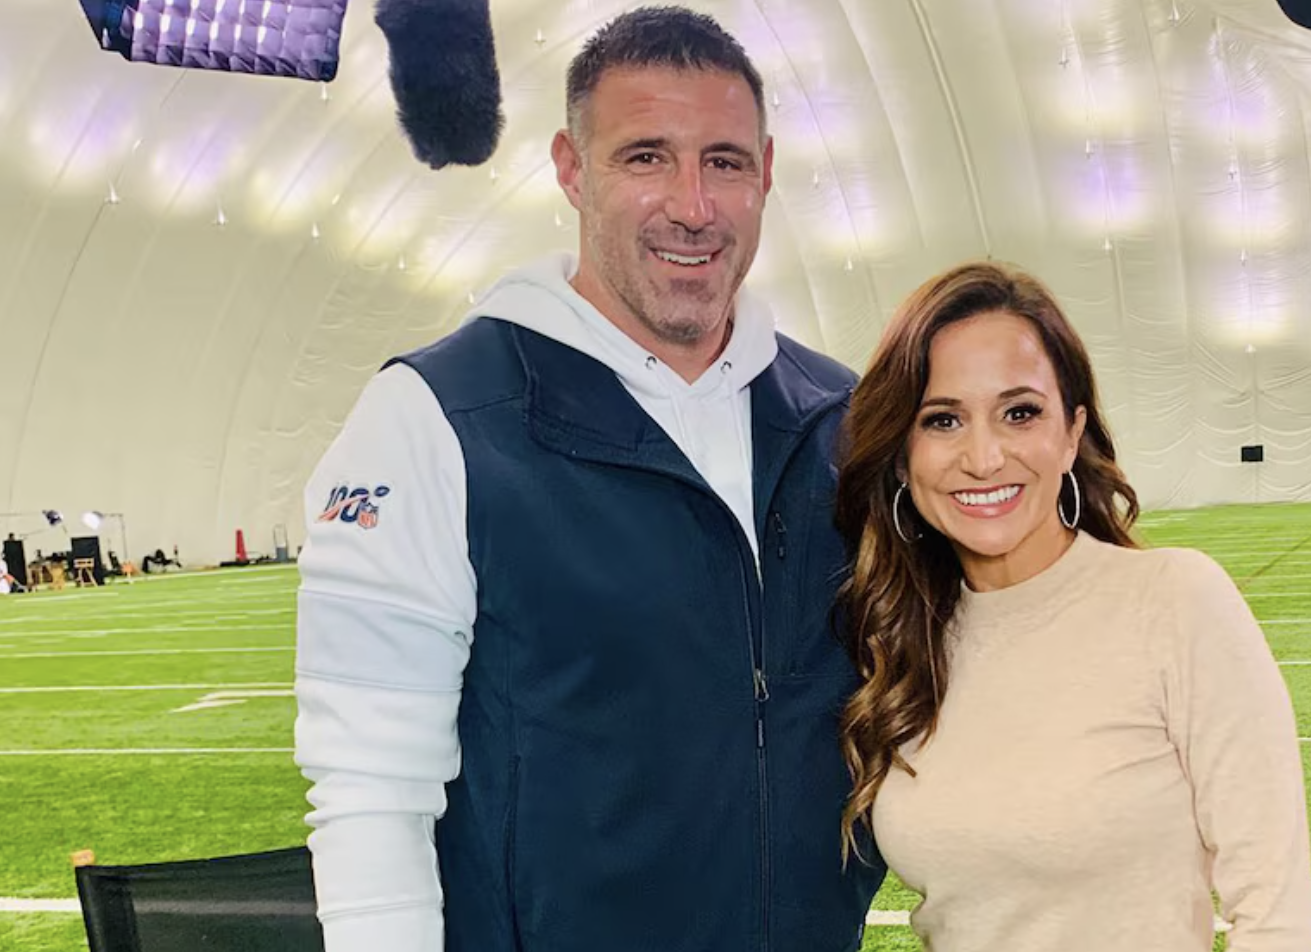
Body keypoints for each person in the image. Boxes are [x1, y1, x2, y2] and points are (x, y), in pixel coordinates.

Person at [292, 8, 883, 952]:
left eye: (725, 162)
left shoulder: (844, 418)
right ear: (571, 169)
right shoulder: (436, 417)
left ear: (767, 174)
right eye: (646, 157)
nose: (693, 205)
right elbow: (369, 791)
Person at [834, 262, 1311, 951]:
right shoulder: (903, 641)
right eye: (943, 420)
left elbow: (1275, 914)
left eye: (1019, 412)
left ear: (1071, 432)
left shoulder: (1176, 600)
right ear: (903, 457)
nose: (984, 457)